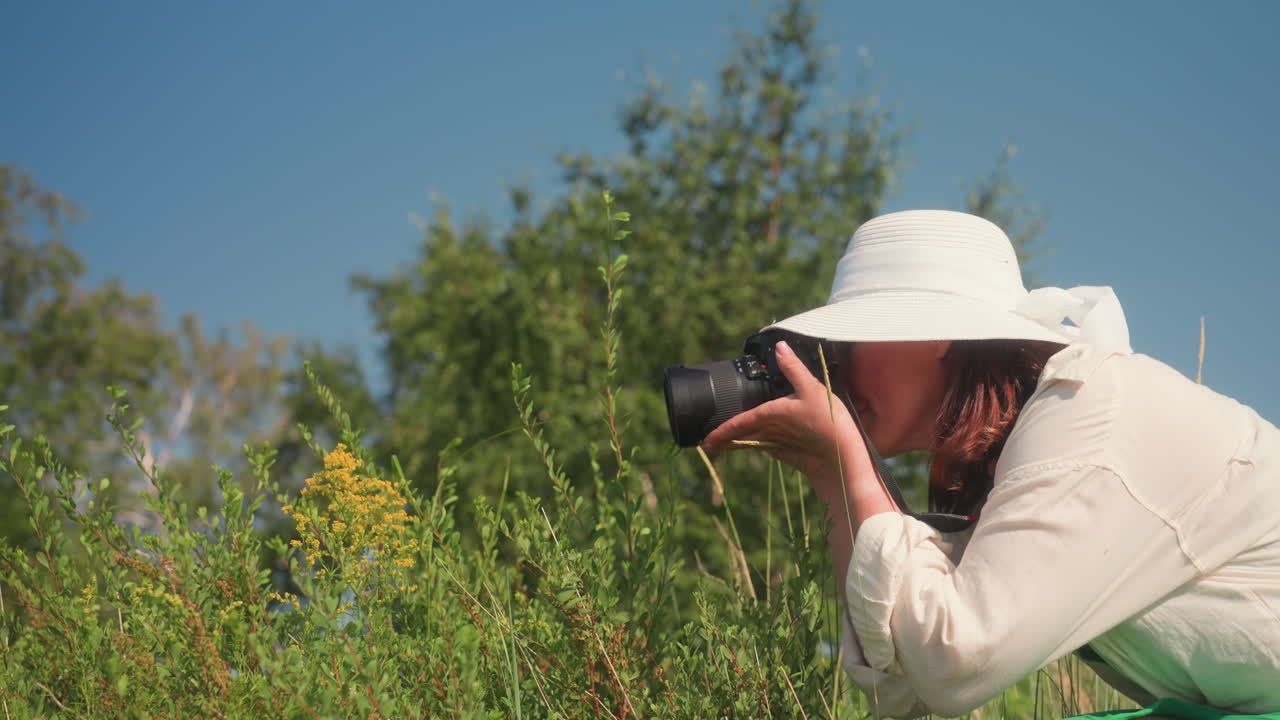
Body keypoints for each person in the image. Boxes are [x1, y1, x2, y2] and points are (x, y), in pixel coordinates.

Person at [701, 210, 1280, 718]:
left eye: (849, 345)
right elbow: (903, 687)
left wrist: (851, 462)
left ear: (937, 337)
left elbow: (955, 665)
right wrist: (834, 476)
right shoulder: (1021, 450)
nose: (838, 374)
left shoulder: (1091, 408)